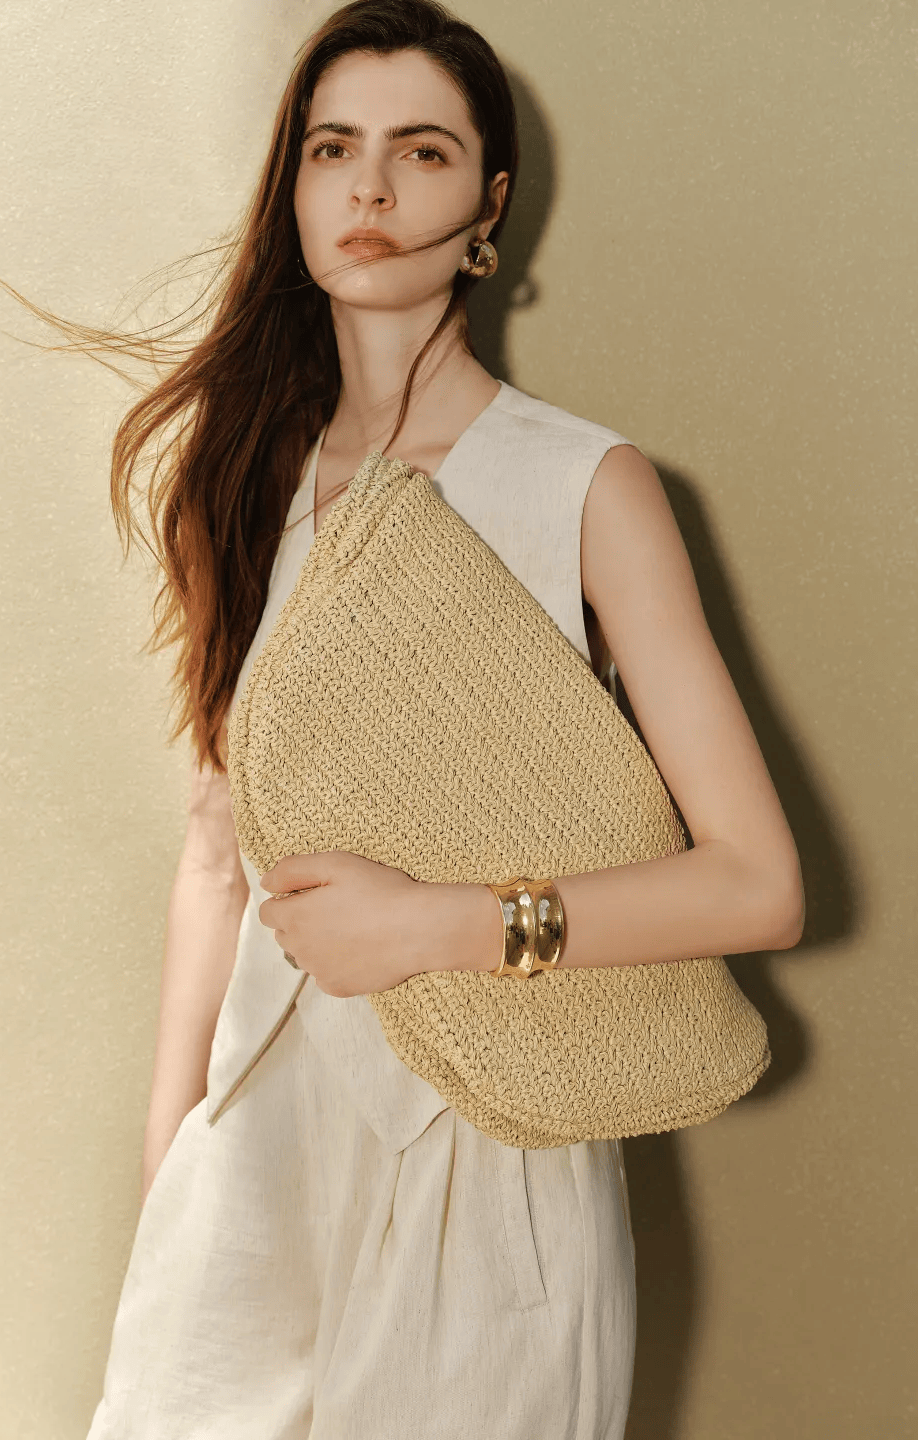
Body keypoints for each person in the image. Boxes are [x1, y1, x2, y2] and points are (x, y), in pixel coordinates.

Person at [82, 2, 804, 1436]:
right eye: (332, 148)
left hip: (497, 1152)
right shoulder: (243, 482)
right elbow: (216, 852)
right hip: (256, 1152)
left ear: (489, 205)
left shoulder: (588, 486)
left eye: (421, 151)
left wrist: (434, 925)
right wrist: (171, 1161)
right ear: (292, 189)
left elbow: (758, 885)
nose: (369, 187)